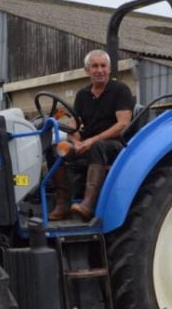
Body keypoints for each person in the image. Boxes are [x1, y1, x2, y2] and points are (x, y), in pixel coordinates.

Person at [48, 49, 134, 221]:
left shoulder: (120, 90)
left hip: (116, 146)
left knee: (97, 147)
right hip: (88, 145)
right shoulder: (82, 95)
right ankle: (63, 203)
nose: (100, 70)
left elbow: (122, 124)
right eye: (95, 66)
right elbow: (74, 123)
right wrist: (75, 141)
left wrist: (91, 141)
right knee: (56, 149)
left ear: (109, 69)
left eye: (103, 66)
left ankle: (87, 204)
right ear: (87, 70)